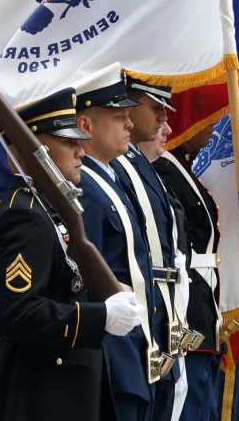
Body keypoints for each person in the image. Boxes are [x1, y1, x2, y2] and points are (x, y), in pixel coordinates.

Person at [0, 87, 143, 421]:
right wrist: (101, 316)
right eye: (69, 143)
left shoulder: (46, 208)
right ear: (34, 149)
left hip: (64, 387)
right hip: (43, 395)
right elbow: (17, 313)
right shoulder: (24, 215)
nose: (80, 152)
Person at [74, 67, 162, 421]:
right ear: (86, 126)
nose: (130, 124)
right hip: (114, 350)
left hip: (136, 343)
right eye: (119, 116)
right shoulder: (86, 189)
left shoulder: (110, 179)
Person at [113, 75, 182, 421]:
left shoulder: (139, 165)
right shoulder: (115, 167)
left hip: (160, 316)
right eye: (156, 108)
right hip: (136, 323)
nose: (163, 119)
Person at [153, 124, 223, 421]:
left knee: (204, 402)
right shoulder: (165, 167)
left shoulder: (179, 164)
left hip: (204, 300)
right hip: (188, 303)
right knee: (192, 403)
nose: (212, 127)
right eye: (206, 118)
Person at [138, 121, 190, 421]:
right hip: (151, 322)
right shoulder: (131, 176)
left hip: (173, 314)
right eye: (156, 120)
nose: (168, 129)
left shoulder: (156, 177)